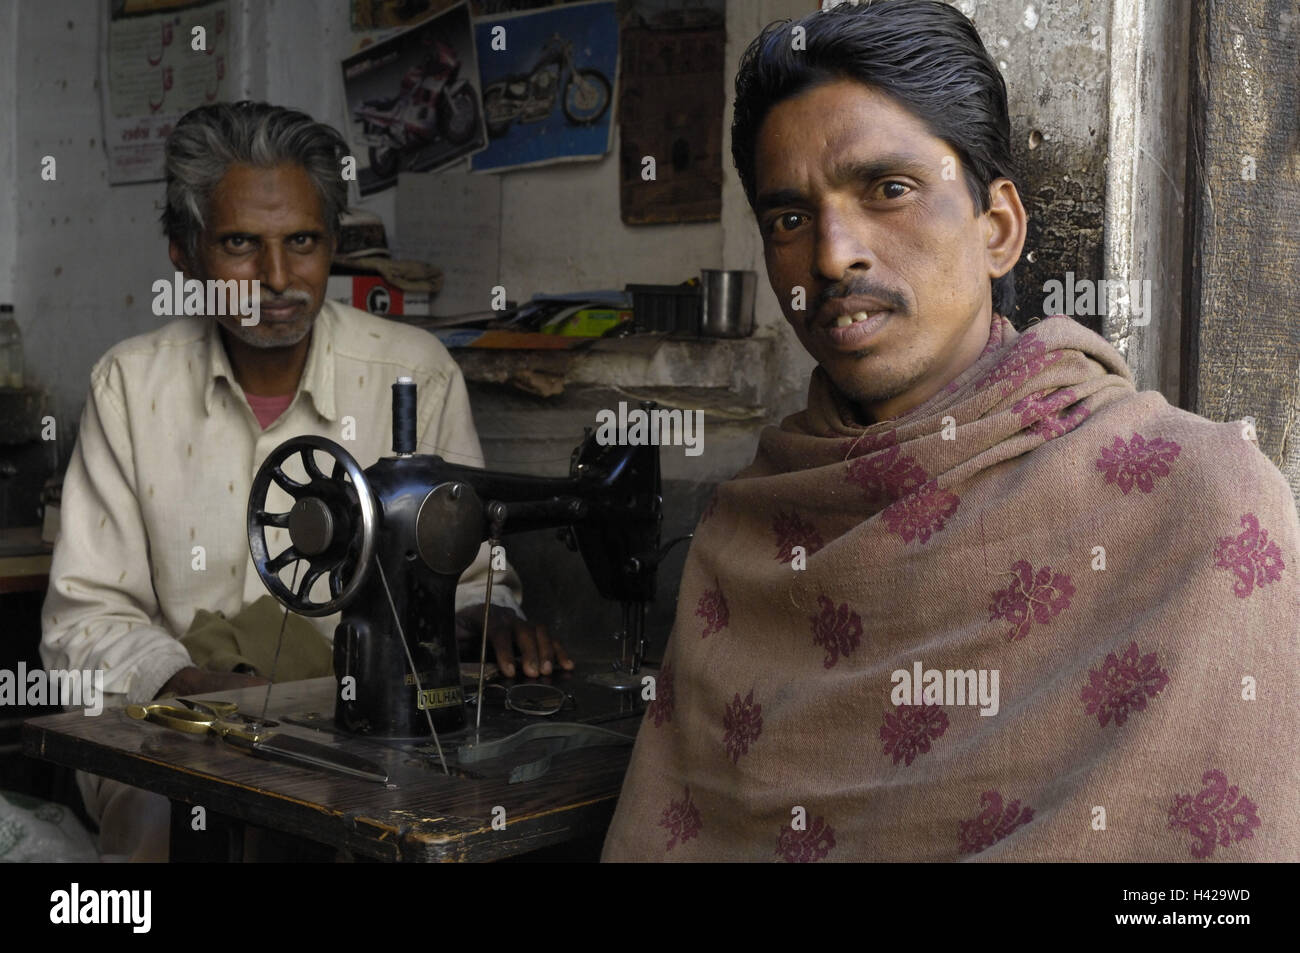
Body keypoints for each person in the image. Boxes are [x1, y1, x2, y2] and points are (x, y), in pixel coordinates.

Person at [603, 0, 1298, 861]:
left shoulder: (1199, 506)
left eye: (889, 190)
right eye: (789, 218)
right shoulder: (746, 534)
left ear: (998, 228)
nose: (832, 255)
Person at [41, 101, 570, 860]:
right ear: (183, 254)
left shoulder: (415, 373)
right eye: (238, 245)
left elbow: (475, 575)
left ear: (333, 246)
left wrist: (491, 617)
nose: (277, 279)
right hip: (184, 737)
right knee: (178, 824)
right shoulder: (130, 387)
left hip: (370, 740)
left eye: (303, 242)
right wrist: (191, 683)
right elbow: (83, 620)